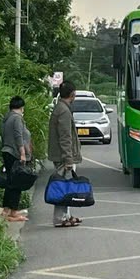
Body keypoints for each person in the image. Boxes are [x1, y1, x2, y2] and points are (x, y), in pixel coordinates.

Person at [48, 80, 83, 227]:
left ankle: (66, 215)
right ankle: (60, 218)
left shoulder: (60, 108)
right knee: (62, 187)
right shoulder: (64, 111)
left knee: (66, 186)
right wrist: (69, 160)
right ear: (73, 94)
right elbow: (65, 137)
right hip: (64, 157)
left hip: (61, 155)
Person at [0, 96, 31, 222]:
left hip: (6, 151)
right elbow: (18, 136)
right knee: (16, 183)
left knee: (10, 182)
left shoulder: (6, 118)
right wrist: (22, 153)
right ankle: (13, 213)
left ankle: (7, 210)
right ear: (21, 107)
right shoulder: (17, 118)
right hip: (14, 153)